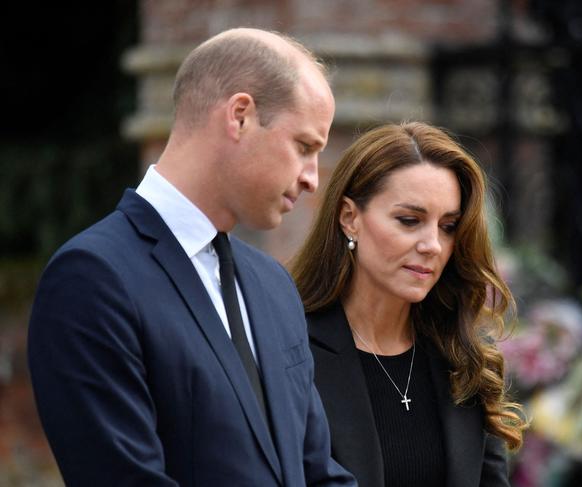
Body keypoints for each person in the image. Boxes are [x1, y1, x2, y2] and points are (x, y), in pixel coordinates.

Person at [28, 28, 357, 487]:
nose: (311, 180)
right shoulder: (92, 277)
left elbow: (319, 473)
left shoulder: (273, 285)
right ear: (240, 116)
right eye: (304, 147)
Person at [290, 122, 527, 487]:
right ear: (350, 218)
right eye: (409, 221)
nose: (432, 244)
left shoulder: (463, 354)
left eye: (448, 226)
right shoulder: (292, 351)